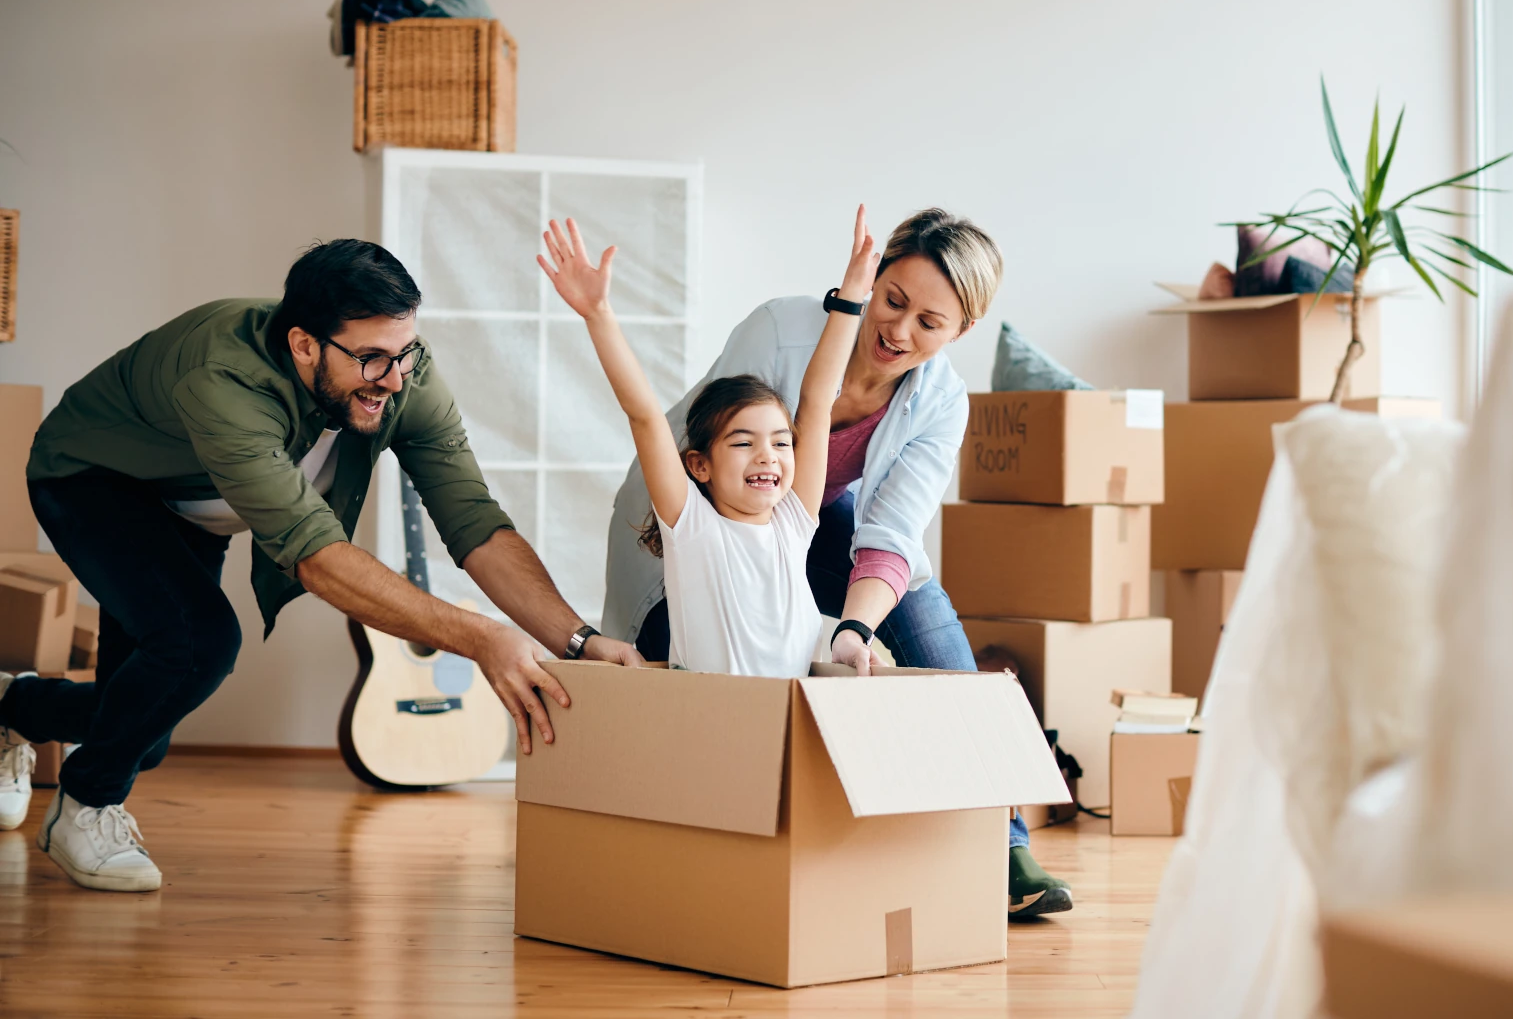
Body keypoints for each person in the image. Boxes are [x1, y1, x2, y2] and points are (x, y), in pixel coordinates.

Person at [0, 239, 642, 893]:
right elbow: (315, 557)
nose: (394, 379)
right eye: (370, 359)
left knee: (143, 724)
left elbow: (473, 520)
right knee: (199, 645)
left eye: (405, 353)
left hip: (196, 506)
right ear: (305, 345)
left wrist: (578, 640)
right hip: (95, 480)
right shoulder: (225, 379)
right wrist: (482, 640)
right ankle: (85, 805)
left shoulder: (402, 377)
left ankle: (12, 705)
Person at [600, 206, 1075, 920]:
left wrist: (852, 630)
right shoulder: (779, 332)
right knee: (693, 706)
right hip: (693, 516)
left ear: (962, 331)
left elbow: (889, 530)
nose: (899, 331)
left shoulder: (941, 401)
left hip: (804, 519)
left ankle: (1000, 844)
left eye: (930, 322)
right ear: (873, 279)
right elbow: (709, 446)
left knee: (922, 611)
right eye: (893, 300)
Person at [538, 209, 878, 676]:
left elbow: (817, 402)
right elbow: (645, 418)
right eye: (743, 444)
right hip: (713, 724)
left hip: (788, 723)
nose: (768, 456)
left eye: (781, 444)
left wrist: (852, 298)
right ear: (700, 465)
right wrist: (598, 315)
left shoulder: (794, 524)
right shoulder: (693, 527)